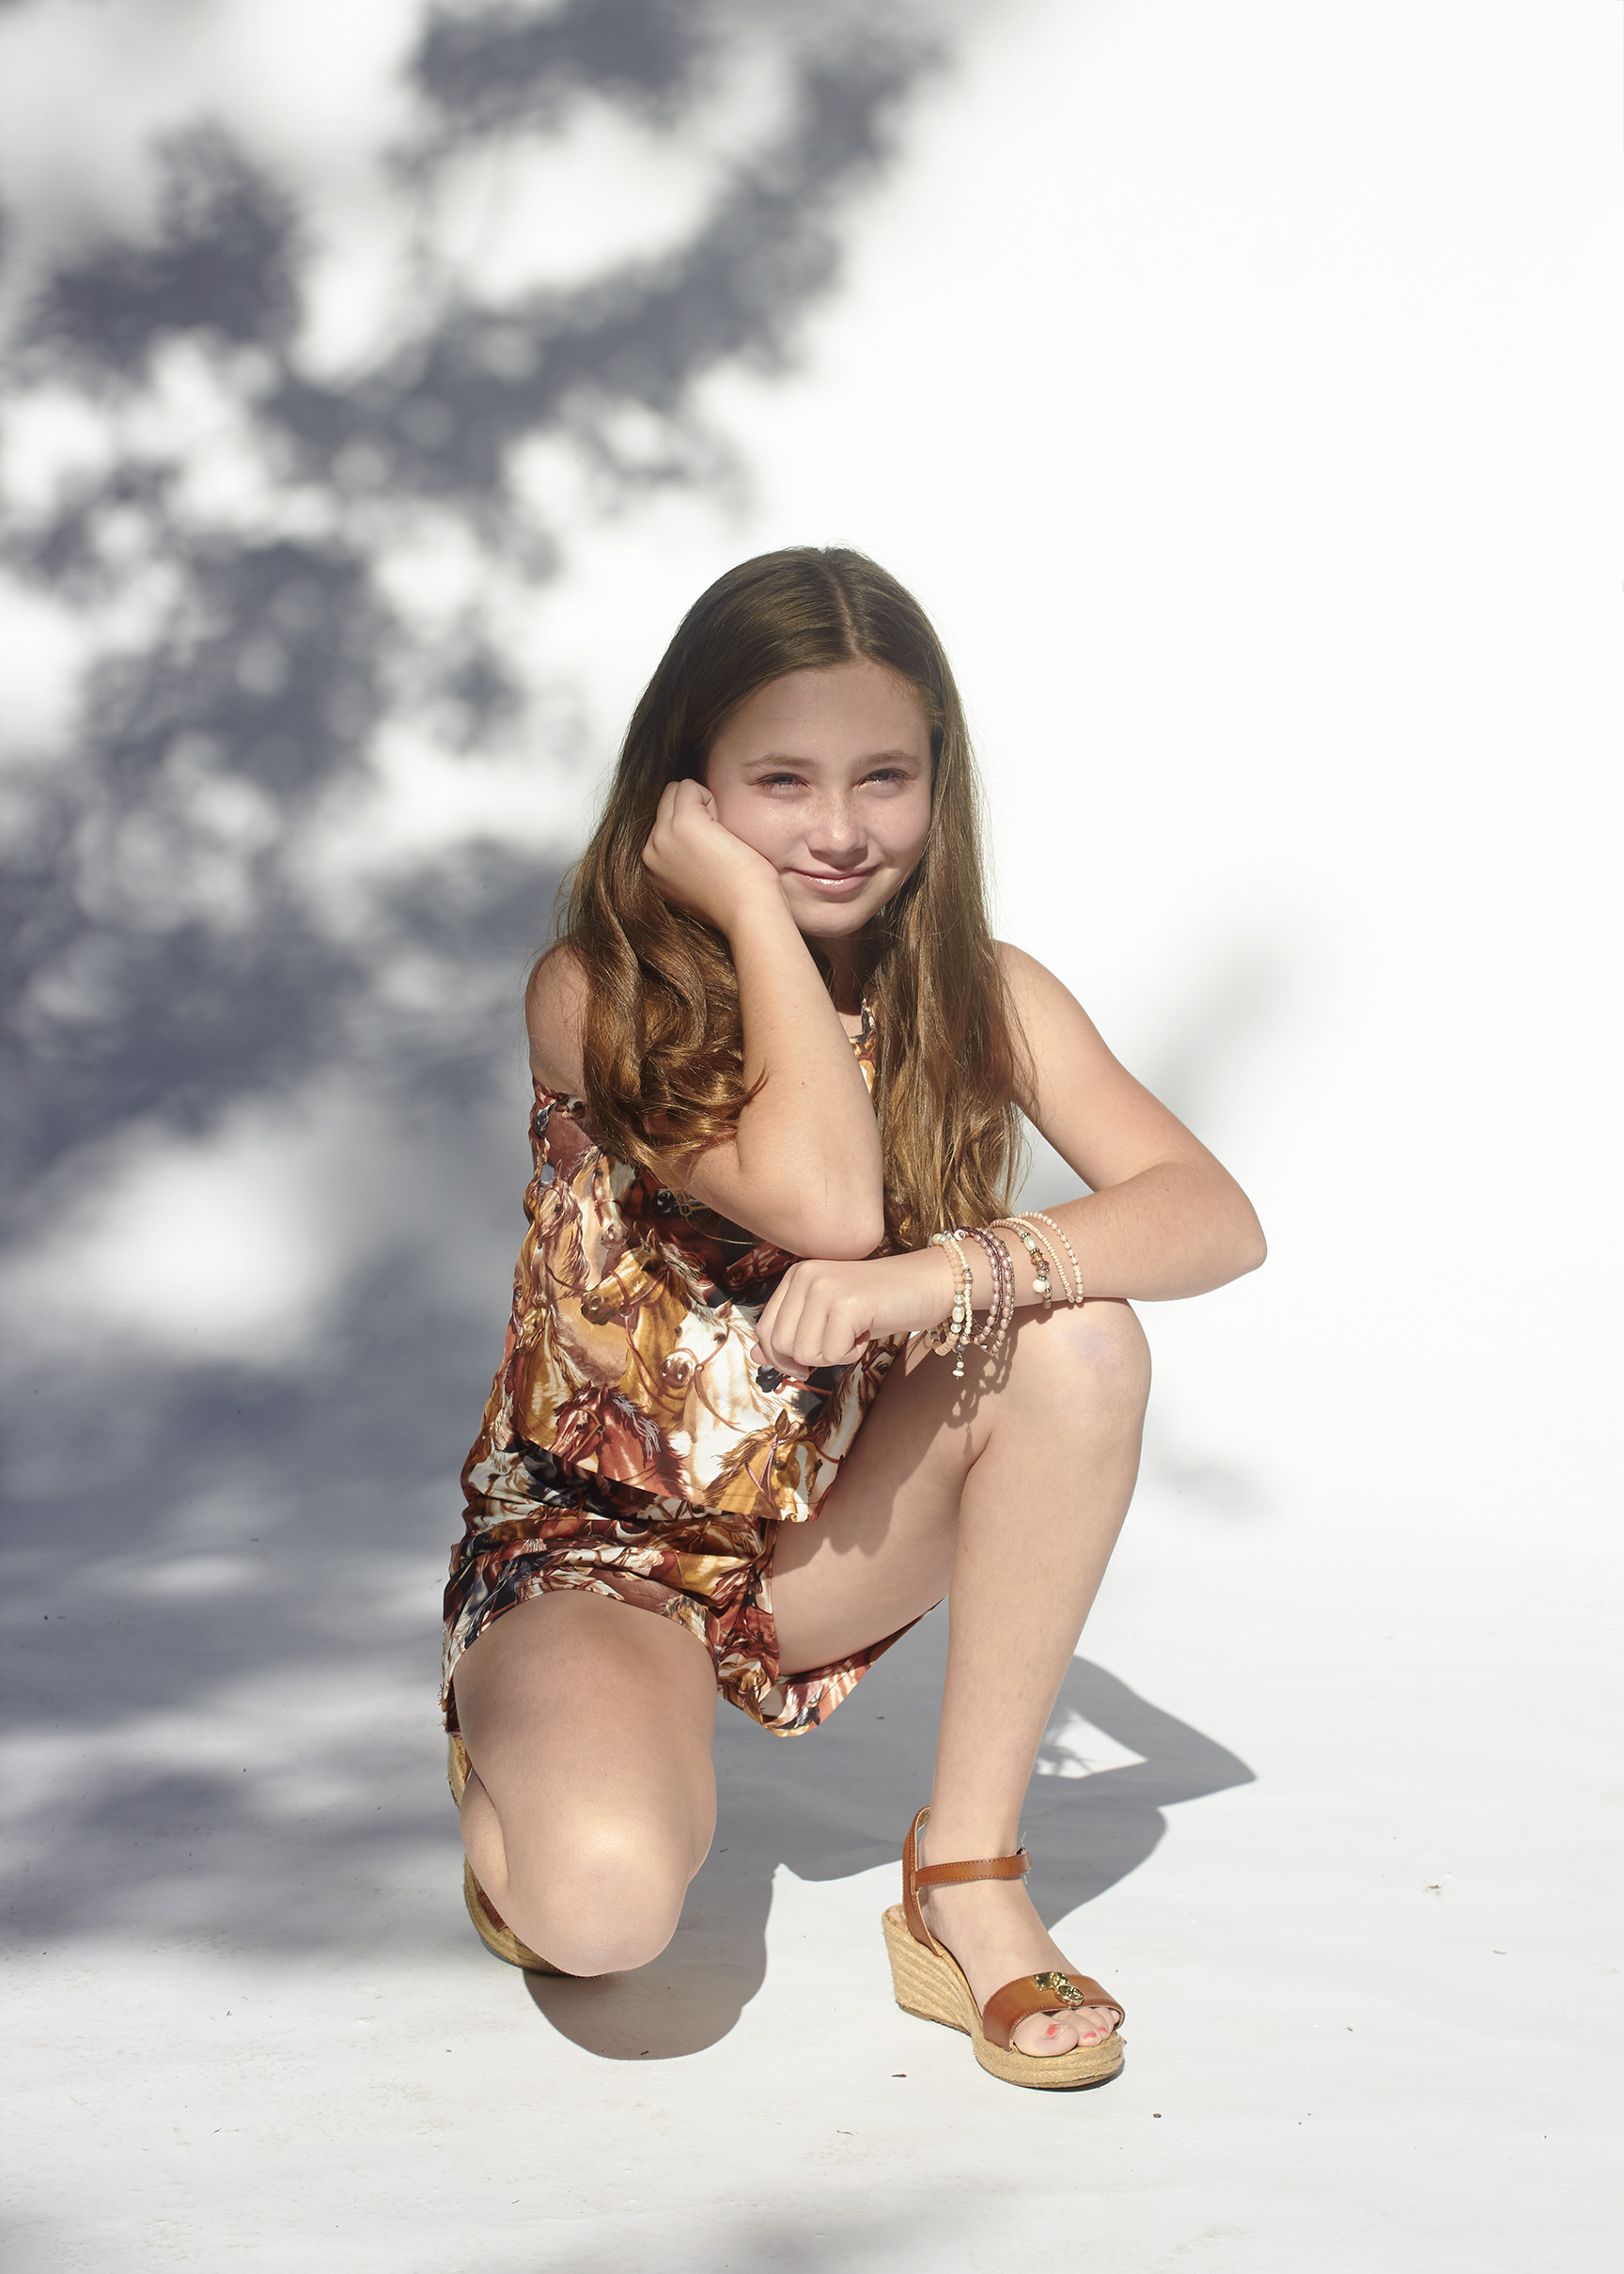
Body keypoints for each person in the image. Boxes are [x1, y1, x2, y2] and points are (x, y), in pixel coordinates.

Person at [442, 546, 1265, 2090]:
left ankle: (965, 1877)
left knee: (1081, 1335)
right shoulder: (597, 991)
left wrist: (939, 1284)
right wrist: (749, 910)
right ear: (687, 790)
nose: (836, 829)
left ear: (939, 787)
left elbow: (1211, 1218)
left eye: (883, 777)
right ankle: (539, 1761)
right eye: (780, 783)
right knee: (606, 1915)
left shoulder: (986, 995)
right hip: (601, 1560)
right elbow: (822, 1200)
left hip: (815, 1544)